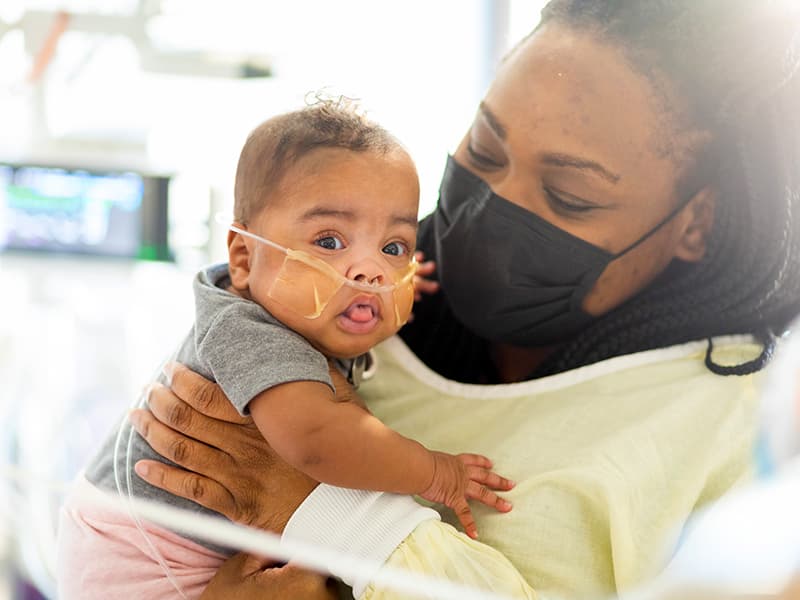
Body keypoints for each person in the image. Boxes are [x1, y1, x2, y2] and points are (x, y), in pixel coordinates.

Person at [124, 0, 800, 598]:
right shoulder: (332, 301)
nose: (492, 211)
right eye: (484, 149)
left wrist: (337, 513)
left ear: (698, 221)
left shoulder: (733, 433)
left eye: (569, 197)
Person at [55, 100, 514, 599]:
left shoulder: (293, 311)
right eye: (330, 241)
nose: (370, 272)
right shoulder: (246, 329)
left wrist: (399, 282)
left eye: (393, 247)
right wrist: (433, 471)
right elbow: (319, 439)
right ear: (244, 258)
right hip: (138, 568)